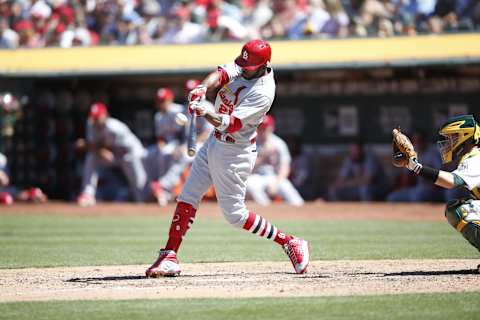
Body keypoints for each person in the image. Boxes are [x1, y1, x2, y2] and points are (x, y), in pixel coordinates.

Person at [145, 39, 310, 277]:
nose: (243, 67)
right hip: (214, 142)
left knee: (235, 215)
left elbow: (230, 124)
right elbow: (222, 74)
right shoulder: (245, 64)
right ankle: (170, 254)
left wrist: (205, 111)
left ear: (263, 64)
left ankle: (290, 242)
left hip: (235, 152)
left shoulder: (263, 92)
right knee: (188, 195)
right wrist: (203, 88)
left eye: (249, 65)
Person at [392, 114, 480, 267]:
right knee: (469, 203)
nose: (448, 142)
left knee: (458, 209)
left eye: (452, 137)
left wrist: (416, 167)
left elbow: (451, 181)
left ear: (464, 136)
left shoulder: (475, 158)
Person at [77, 102, 147, 206]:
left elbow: (113, 148)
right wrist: (91, 147)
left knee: (140, 187)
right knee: (91, 156)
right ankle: (88, 194)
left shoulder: (115, 127)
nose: (95, 120)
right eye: (94, 117)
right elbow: (96, 147)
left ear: (105, 115)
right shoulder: (91, 124)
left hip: (130, 154)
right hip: (113, 155)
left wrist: (89, 146)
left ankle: (142, 200)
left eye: (98, 117)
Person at [246, 115, 304, 206]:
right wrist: (263, 156)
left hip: (276, 177)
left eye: (265, 128)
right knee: (250, 185)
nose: (263, 131)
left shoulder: (279, 143)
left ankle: (302, 211)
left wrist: (277, 183)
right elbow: (247, 169)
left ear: (272, 128)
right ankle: (267, 209)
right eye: (260, 128)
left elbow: (285, 167)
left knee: (294, 197)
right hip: (257, 177)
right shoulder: (251, 143)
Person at [387, 131, 444, 202]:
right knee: (393, 197)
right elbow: (406, 177)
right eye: (415, 141)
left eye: (419, 140)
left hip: (431, 189)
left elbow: (441, 174)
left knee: (417, 196)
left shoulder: (433, 154)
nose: (417, 143)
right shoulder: (411, 154)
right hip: (417, 188)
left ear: (424, 141)